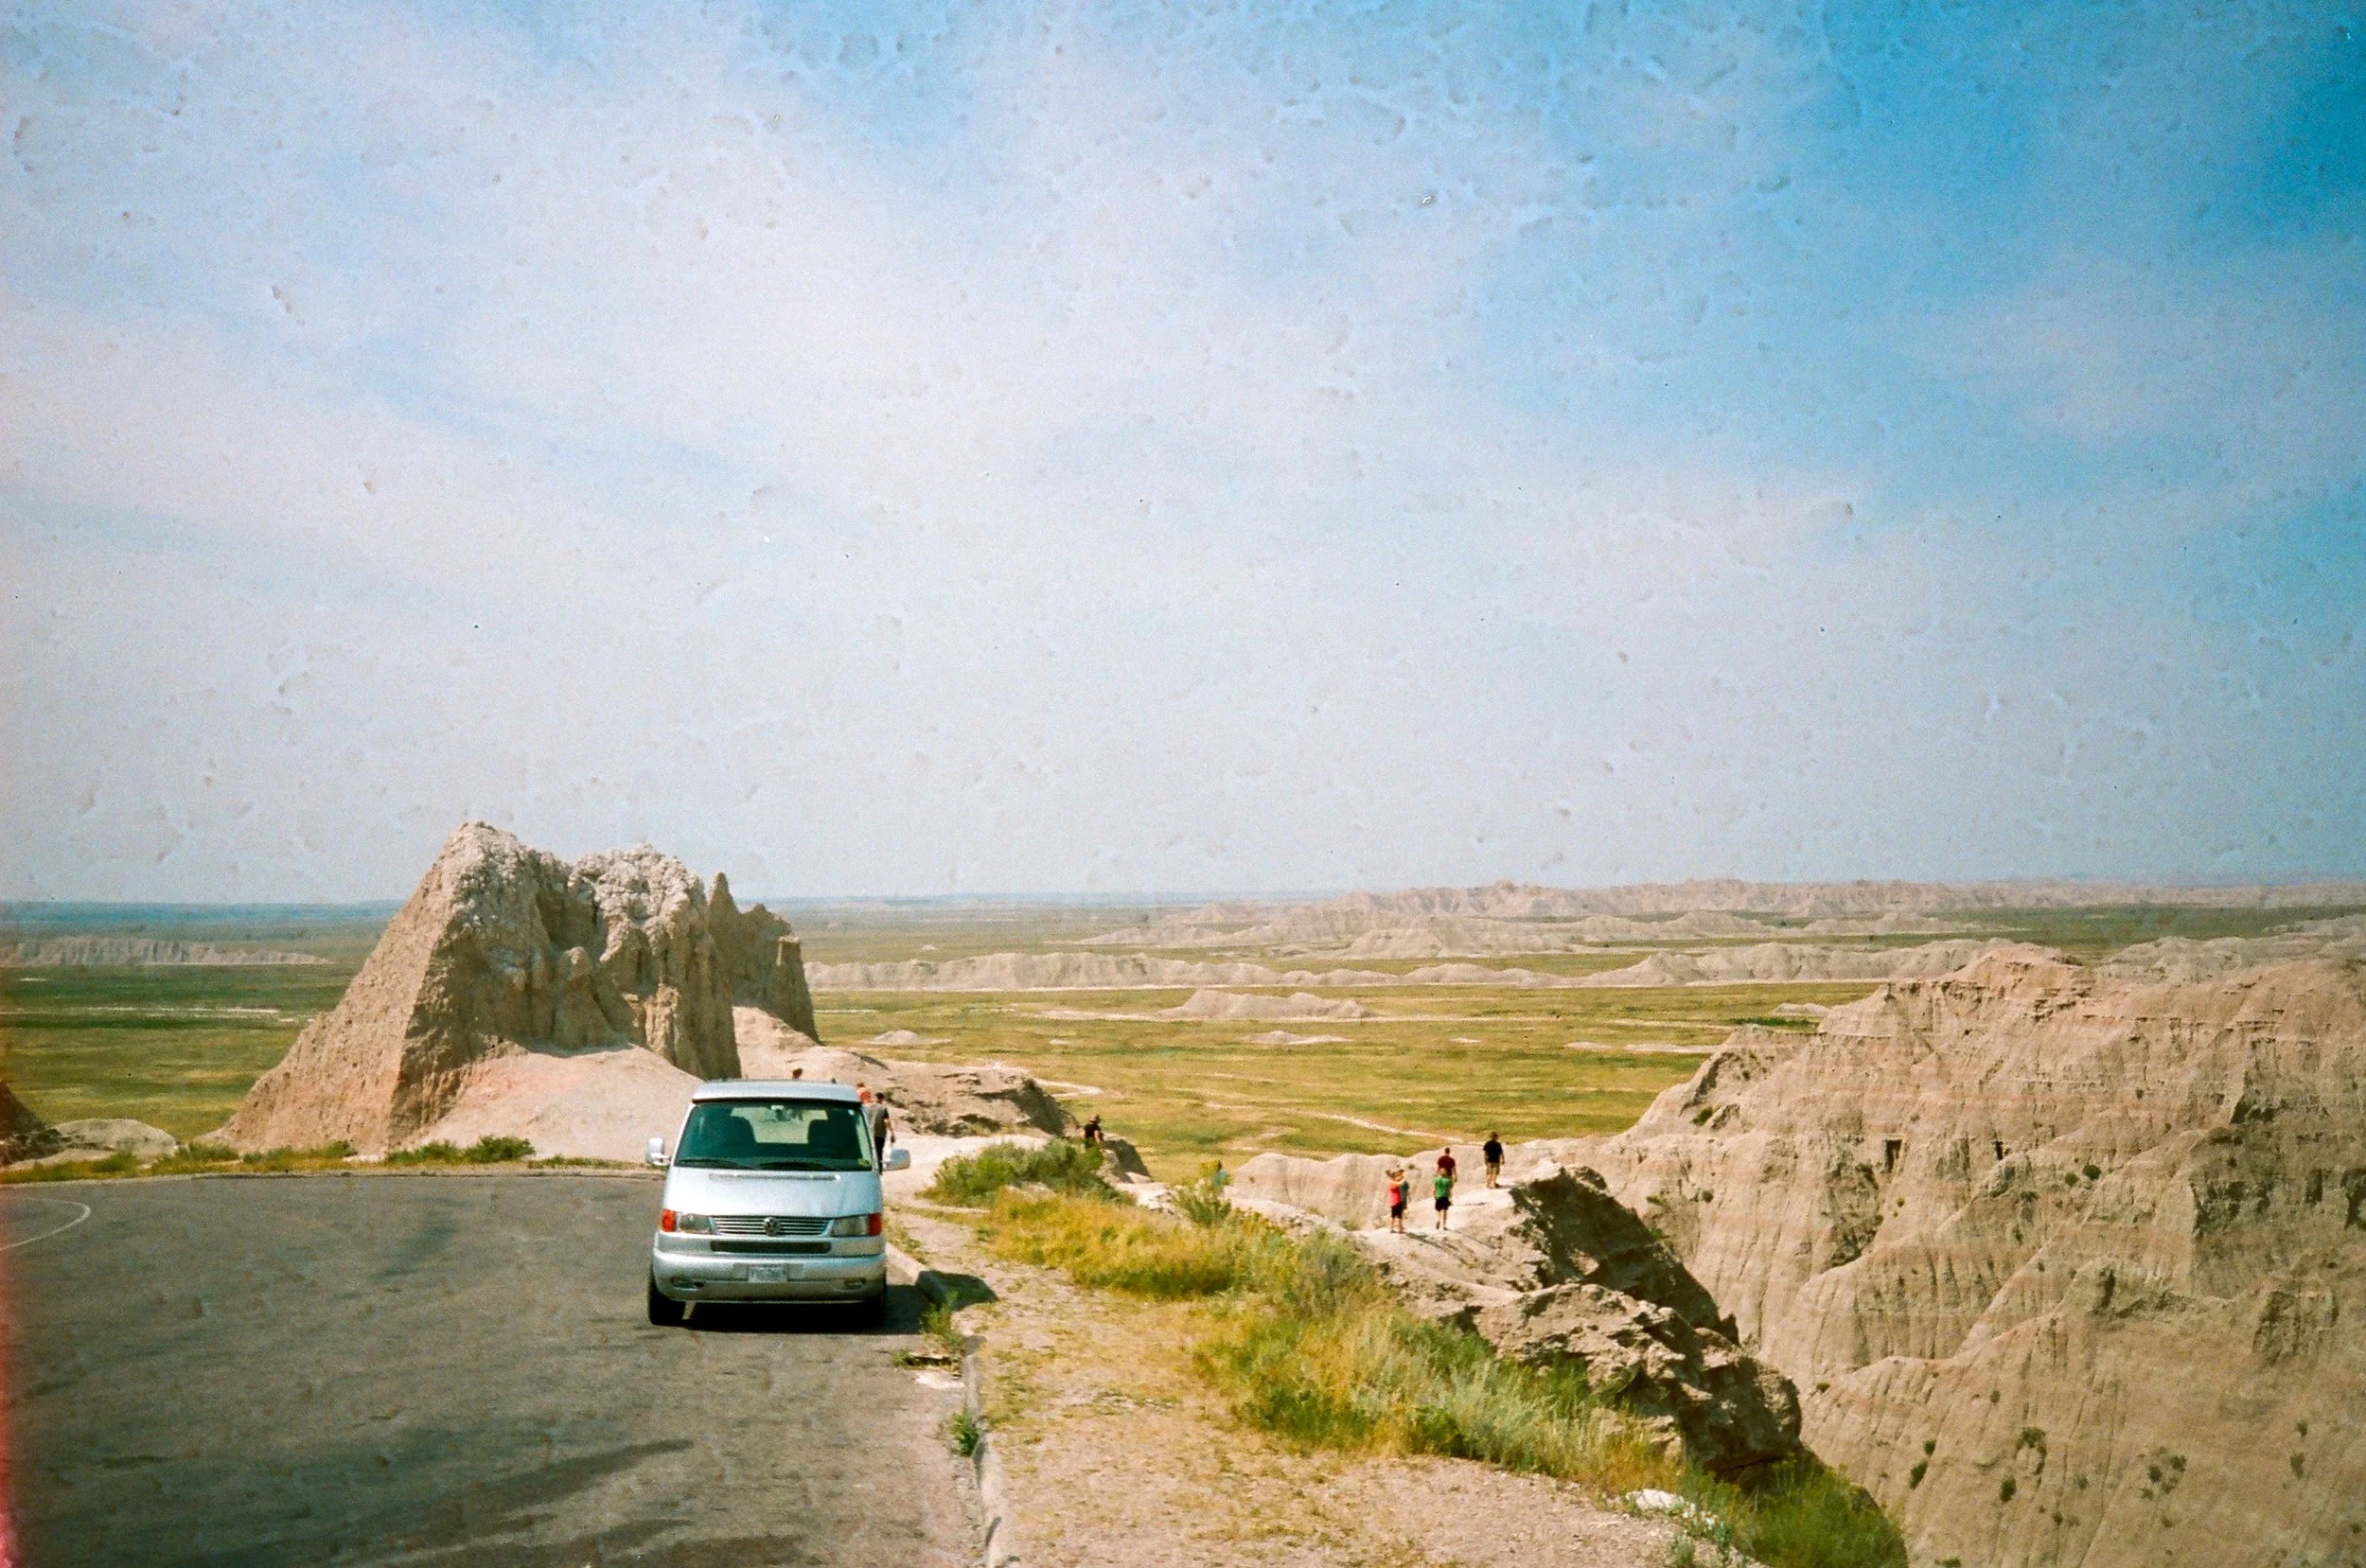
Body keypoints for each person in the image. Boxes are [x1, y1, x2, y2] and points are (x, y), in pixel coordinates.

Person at [1433, 1162, 1454, 1230]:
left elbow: (1434, 1189)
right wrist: (1451, 1199)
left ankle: (1438, 1220)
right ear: (1445, 1173)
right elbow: (1449, 1190)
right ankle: (1444, 1225)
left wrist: (1434, 1195)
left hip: (1438, 1197)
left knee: (1438, 1211)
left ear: (1439, 1172)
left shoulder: (1436, 1180)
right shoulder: (1447, 1180)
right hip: (1445, 1197)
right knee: (1444, 1211)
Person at [1386, 1167, 1407, 1233]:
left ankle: (1391, 1229)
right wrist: (1404, 1177)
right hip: (1397, 1200)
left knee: (1393, 1215)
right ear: (1393, 1176)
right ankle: (1400, 1229)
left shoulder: (1390, 1181)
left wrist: (1401, 1175)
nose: (1395, 1175)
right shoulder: (1392, 1182)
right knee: (1399, 1216)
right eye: (1394, 1174)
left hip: (1393, 1201)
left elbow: (1398, 1179)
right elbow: (1400, 1183)